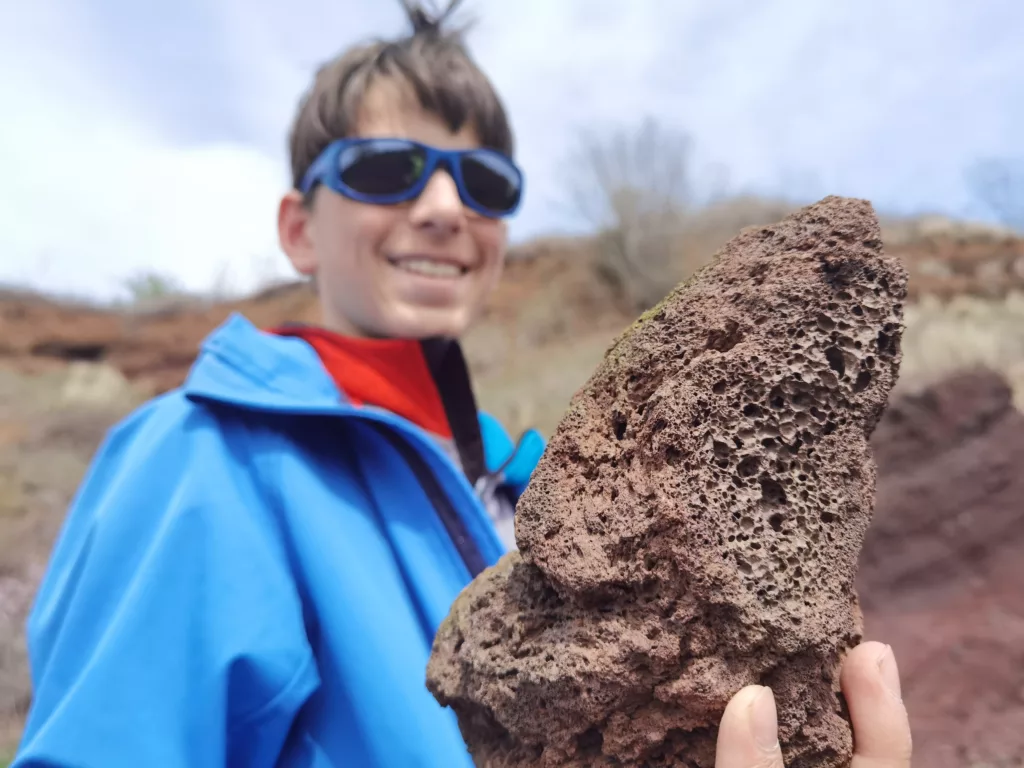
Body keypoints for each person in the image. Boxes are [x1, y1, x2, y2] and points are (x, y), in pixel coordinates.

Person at [11, 3, 913, 767]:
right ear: (298, 229)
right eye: (385, 169)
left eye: (482, 181)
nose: (445, 207)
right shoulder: (201, 461)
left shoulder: (552, 491)